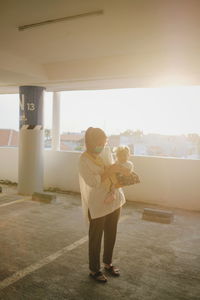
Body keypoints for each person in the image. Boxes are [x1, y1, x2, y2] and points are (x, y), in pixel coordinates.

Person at [78, 127, 128, 283]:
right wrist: (109, 170)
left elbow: (113, 167)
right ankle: (94, 270)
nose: (102, 145)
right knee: (95, 238)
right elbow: (93, 182)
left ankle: (108, 263)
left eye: (104, 142)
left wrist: (122, 170)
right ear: (91, 143)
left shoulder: (106, 151)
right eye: (99, 143)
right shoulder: (83, 160)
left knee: (111, 233)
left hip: (114, 198)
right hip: (97, 203)